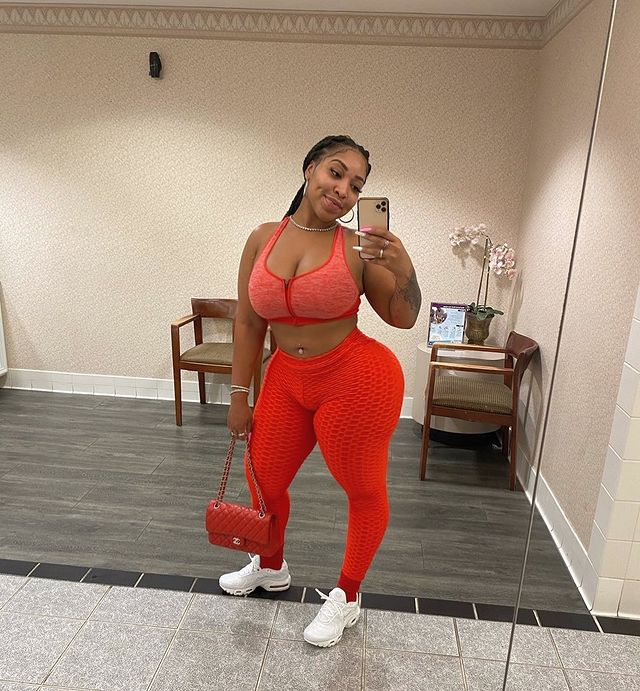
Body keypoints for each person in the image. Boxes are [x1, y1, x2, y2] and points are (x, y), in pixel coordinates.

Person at [220, 135, 421, 648]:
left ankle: (348, 595)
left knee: (363, 489)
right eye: (336, 172)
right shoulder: (262, 238)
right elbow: (249, 321)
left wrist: (405, 271)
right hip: (286, 378)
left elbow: (402, 316)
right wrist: (239, 394)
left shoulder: (357, 245)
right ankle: (270, 566)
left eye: (357, 185)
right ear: (309, 168)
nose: (344, 190)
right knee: (262, 477)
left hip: (355, 379)